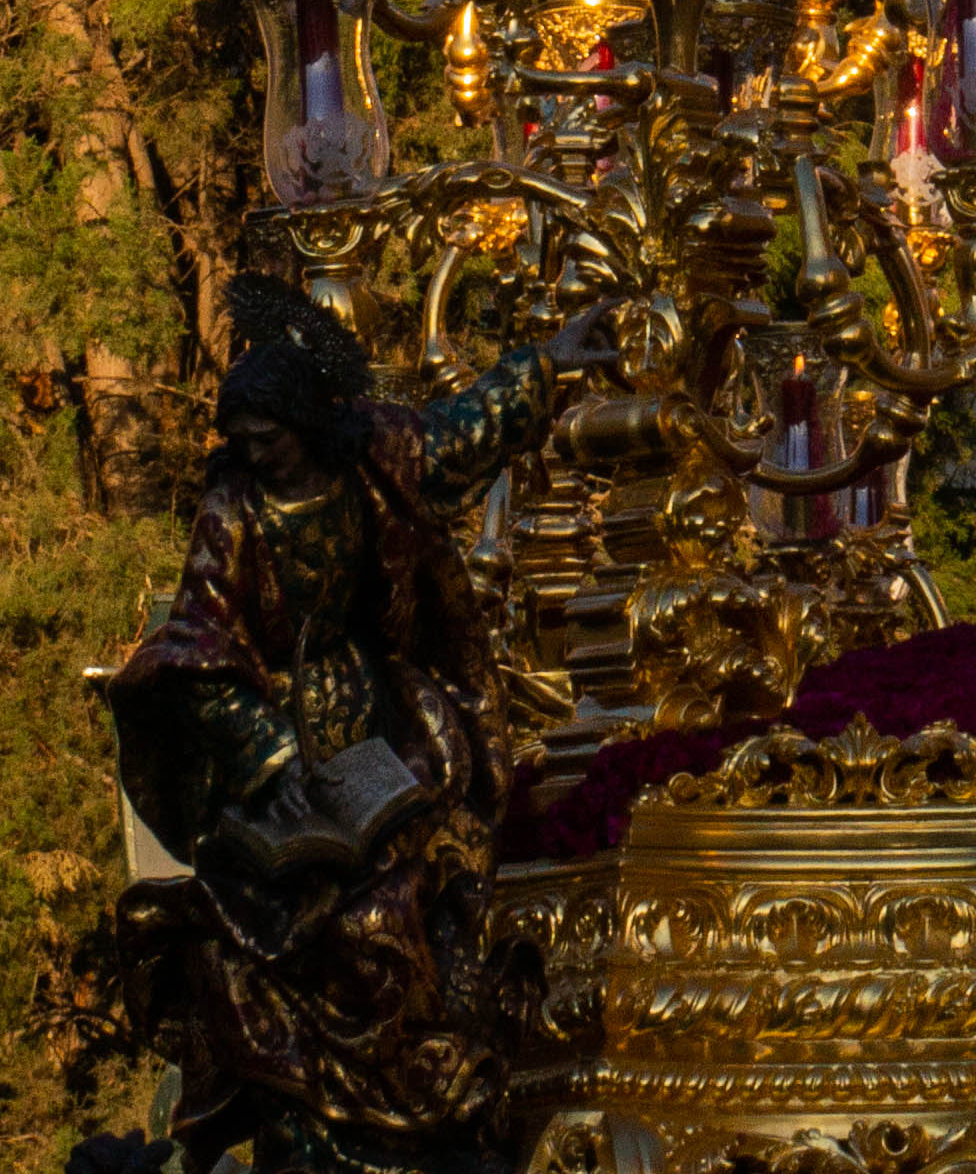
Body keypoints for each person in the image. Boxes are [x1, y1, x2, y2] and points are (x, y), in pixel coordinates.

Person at [105, 274, 609, 1174]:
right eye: (246, 445)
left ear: (307, 425)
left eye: (273, 441)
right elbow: (198, 641)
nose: (260, 457)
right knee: (294, 928)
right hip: (272, 746)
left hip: (383, 720)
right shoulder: (231, 511)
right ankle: (318, 1116)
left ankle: (426, 1093)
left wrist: (547, 365)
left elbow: (459, 436)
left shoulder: (370, 455)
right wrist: (268, 744)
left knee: (414, 891)